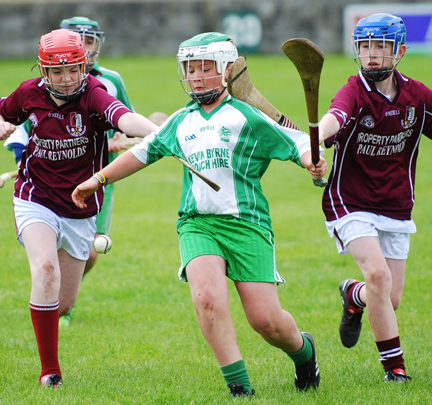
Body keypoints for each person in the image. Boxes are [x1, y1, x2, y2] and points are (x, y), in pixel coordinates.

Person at [72, 32, 327, 397]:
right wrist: (97, 179)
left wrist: (311, 161)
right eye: (189, 69)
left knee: (266, 322)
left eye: (204, 68)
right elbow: (141, 152)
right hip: (197, 223)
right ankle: (239, 388)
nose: (194, 76)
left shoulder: (247, 117)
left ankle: (304, 352)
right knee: (207, 298)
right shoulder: (181, 121)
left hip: (247, 225)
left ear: (226, 72)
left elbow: (299, 143)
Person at [0, 28, 157, 388]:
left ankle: (49, 311)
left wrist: (157, 132)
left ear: (84, 67)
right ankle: (50, 372)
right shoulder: (29, 93)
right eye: (57, 72)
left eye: (73, 70)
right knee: (45, 270)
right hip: (35, 197)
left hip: (81, 208)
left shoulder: (94, 94)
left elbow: (124, 118)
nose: (66, 80)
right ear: (43, 71)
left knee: (63, 303)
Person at [318, 13, 432, 383]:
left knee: (388, 297)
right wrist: (319, 139)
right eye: (365, 46)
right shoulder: (353, 91)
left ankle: (354, 296)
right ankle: (395, 369)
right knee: (379, 277)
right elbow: (334, 118)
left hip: (396, 204)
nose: (370, 55)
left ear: (399, 51)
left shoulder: (417, 96)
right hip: (349, 201)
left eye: (380, 47)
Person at [3, 16, 136, 327]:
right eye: (81, 41)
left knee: (89, 253)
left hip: (99, 178)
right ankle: (55, 296)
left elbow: (125, 120)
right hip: (48, 188)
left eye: (91, 41)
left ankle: (64, 301)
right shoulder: (38, 91)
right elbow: (29, 125)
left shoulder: (109, 81)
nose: (87, 49)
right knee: (51, 262)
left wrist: (119, 141)